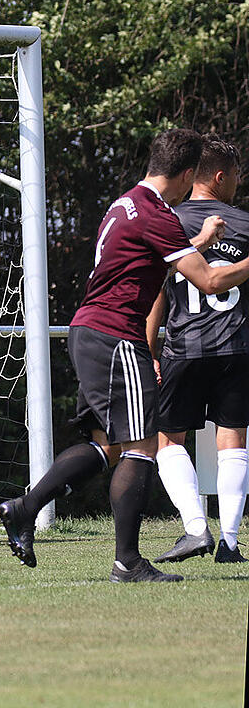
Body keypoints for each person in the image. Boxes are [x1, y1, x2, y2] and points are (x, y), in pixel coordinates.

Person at [0, 128, 249, 582]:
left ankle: (25, 506)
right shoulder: (159, 215)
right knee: (142, 446)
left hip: (90, 330)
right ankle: (127, 561)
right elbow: (210, 282)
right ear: (189, 173)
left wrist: (200, 243)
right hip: (116, 336)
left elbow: (144, 260)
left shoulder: (126, 204)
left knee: (109, 444)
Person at [146, 135, 248, 564]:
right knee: (234, 441)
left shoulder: (169, 220)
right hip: (238, 347)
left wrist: (149, 347)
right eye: (237, 177)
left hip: (184, 348)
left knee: (169, 441)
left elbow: (155, 294)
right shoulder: (245, 224)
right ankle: (229, 541)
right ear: (220, 177)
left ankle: (194, 528)